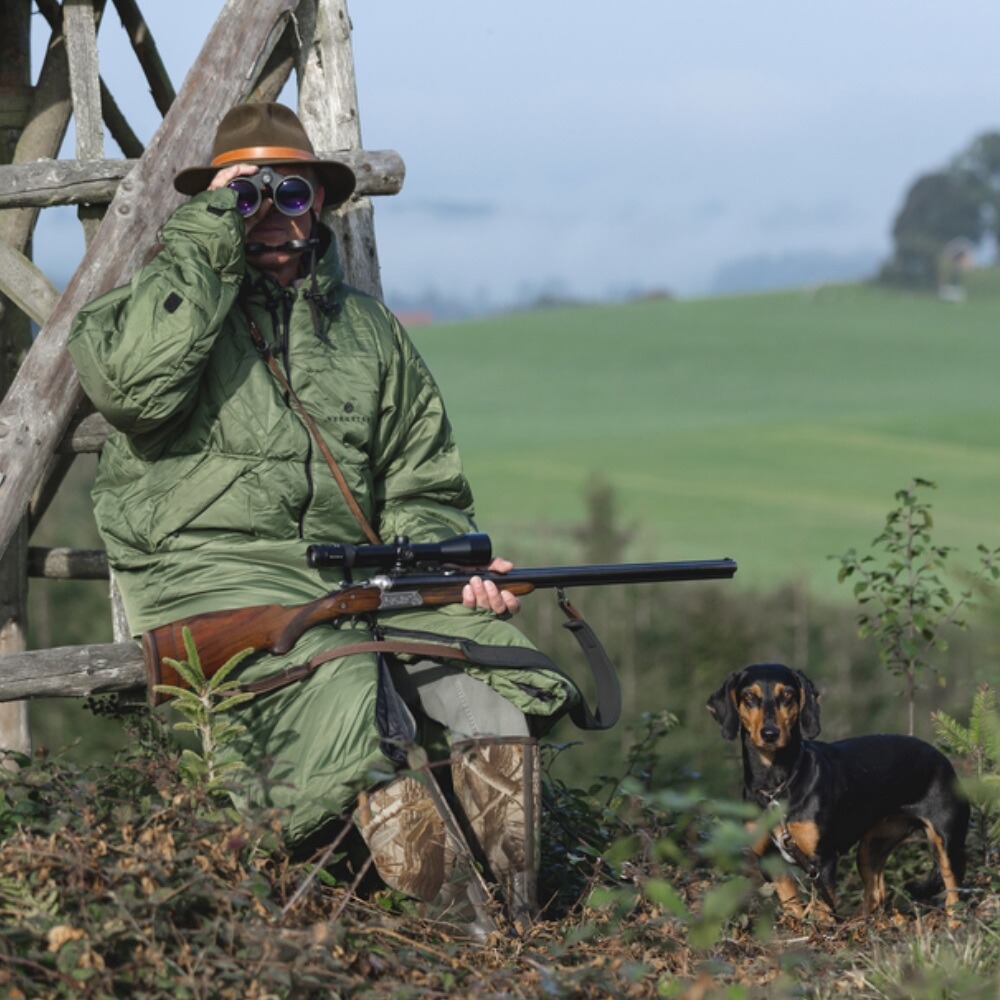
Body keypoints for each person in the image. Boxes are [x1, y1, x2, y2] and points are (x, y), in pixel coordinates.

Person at [67, 102, 581, 931]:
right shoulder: (148, 316)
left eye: (292, 194)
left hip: (355, 580)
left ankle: (517, 933)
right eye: (248, 197)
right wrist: (207, 238)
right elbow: (132, 387)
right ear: (211, 207)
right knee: (345, 692)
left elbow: (421, 481)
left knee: (489, 682)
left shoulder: (367, 333)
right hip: (216, 582)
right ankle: (463, 939)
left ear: (320, 207)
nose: (271, 215)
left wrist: (448, 576)